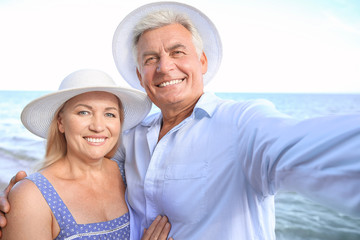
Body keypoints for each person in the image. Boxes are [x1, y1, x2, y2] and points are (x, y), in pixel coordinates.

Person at [1, 2, 360, 239]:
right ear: (141, 77)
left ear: (202, 62)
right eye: (151, 58)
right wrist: (21, 196)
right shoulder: (132, 139)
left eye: (177, 52)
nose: (165, 67)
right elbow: (77, 167)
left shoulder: (244, 125)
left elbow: (309, 148)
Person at [1, 69, 173, 240]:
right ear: (61, 122)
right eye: (84, 112)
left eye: (109, 114)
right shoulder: (31, 197)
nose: (98, 126)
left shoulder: (130, 175)